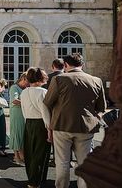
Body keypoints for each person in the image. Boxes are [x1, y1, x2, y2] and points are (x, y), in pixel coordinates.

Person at [44, 53, 106, 188]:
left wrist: (49, 126)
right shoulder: (96, 80)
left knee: (62, 163)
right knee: (84, 164)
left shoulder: (59, 79)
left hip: (62, 125)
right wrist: (96, 117)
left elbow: (47, 102)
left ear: (65, 65)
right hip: (86, 127)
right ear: (82, 65)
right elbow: (102, 108)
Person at [21, 67, 52, 188]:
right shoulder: (43, 92)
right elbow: (45, 112)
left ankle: (32, 178)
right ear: (40, 78)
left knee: (30, 152)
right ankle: (36, 181)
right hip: (40, 124)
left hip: (28, 122)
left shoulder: (24, 91)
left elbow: (23, 110)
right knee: (41, 153)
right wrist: (49, 129)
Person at [9, 73, 29, 164]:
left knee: (22, 134)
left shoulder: (25, 88)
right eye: (28, 81)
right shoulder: (14, 87)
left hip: (23, 113)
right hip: (17, 113)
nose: (28, 84)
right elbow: (14, 100)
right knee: (17, 133)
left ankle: (20, 155)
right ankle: (17, 156)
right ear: (23, 79)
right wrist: (28, 103)